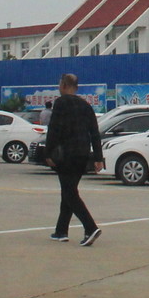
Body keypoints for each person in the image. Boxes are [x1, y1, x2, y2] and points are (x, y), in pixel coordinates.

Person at [46, 73, 104, 246]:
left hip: (66, 155)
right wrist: (98, 157)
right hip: (82, 154)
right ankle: (61, 231)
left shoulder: (61, 103)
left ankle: (90, 227)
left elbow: (54, 129)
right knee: (68, 190)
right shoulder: (86, 105)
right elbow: (94, 133)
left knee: (70, 193)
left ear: (64, 85)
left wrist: (48, 153)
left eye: (59, 84)